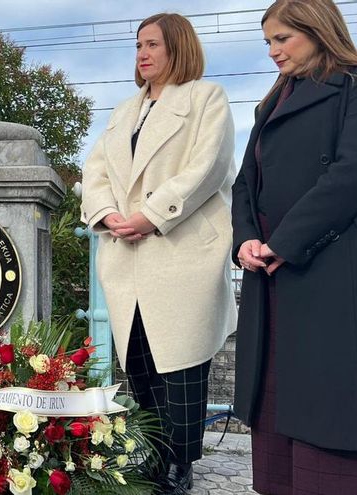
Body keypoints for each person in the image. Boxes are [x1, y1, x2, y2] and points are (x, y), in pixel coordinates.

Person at [80, 13, 237, 493]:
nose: (142, 54)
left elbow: (206, 167)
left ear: (178, 49)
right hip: (127, 251)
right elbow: (97, 170)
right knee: (141, 361)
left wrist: (152, 214)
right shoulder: (124, 110)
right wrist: (106, 214)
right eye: (138, 46)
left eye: (153, 45)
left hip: (181, 249)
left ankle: (180, 464)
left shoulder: (206, 98)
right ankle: (150, 453)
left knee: (183, 366)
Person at [232, 0, 357, 492]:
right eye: (267, 41)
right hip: (274, 278)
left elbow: (355, 174)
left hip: (330, 272)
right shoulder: (270, 101)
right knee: (276, 417)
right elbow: (244, 184)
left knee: (329, 416)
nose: (273, 51)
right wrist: (246, 239)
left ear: (317, 31)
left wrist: (286, 242)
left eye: (282, 39)